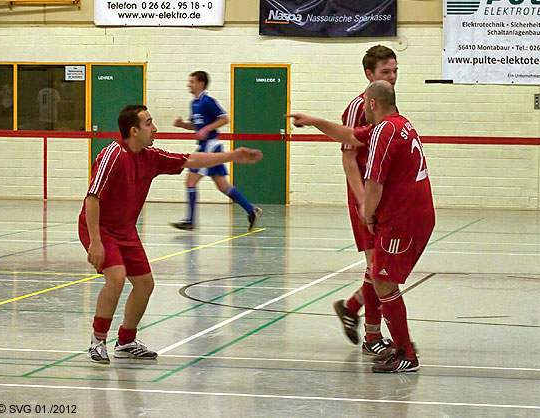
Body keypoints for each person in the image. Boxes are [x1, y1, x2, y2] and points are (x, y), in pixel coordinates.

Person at [79, 104, 262, 364]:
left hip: (125, 230)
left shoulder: (150, 156)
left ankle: (126, 341)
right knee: (116, 277)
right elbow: (92, 198)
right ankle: (97, 342)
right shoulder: (113, 155)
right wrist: (96, 243)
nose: (154, 129)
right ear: (134, 131)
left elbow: (191, 160)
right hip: (98, 227)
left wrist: (232, 155)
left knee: (145, 284)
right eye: (148, 123)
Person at [289, 80, 435, 373]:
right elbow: (347, 135)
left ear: (372, 103)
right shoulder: (398, 125)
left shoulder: (384, 131)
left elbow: (374, 183)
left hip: (402, 218)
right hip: (415, 214)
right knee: (380, 277)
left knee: (383, 281)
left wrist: (367, 216)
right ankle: (395, 344)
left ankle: (405, 354)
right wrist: (314, 121)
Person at [333, 45, 399, 356]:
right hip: (363, 195)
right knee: (378, 267)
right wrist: (363, 203)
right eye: (386, 71)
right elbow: (348, 159)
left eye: (395, 71)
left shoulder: (388, 104)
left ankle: (352, 307)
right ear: (369, 74)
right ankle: (372, 335)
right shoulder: (358, 107)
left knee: (380, 267)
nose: (393, 76)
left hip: (380, 195)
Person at [171, 71, 262, 231]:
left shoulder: (207, 101)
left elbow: (224, 118)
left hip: (210, 146)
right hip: (206, 145)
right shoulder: (194, 104)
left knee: (190, 182)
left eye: (192, 82)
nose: (188, 84)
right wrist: (182, 125)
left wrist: (207, 129)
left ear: (201, 84)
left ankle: (190, 221)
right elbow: (195, 126)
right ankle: (251, 210)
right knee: (223, 185)